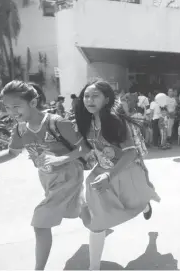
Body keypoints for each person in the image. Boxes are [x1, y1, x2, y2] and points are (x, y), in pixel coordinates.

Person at [0, 80, 87, 270]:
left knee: (41, 223)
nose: (11, 112)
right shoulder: (20, 129)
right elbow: (12, 152)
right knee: (78, 210)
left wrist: (61, 159)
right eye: (7, 108)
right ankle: (99, 218)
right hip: (47, 179)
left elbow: (84, 148)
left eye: (16, 107)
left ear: (33, 103)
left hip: (68, 175)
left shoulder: (56, 122)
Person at [74, 79, 160, 271]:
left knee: (135, 202)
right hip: (101, 175)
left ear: (106, 99)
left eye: (95, 96)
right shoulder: (84, 120)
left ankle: (145, 204)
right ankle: (93, 267)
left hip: (126, 170)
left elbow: (131, 153)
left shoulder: (116, 121)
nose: (89, 100)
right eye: (86, 96)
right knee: (98, 221)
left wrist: (109, 175)